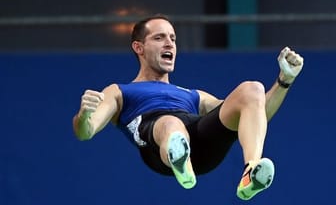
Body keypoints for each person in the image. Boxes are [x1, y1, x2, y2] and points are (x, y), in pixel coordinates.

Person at [72, 14, 304, 200]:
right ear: (139, 47)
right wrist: (84, 115)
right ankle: (178, 158)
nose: (169, 43)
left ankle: (249, 172)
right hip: (156, 143)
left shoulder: (193, 95)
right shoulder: (119, 91)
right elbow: (86, 131)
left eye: (173, 38)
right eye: (159, 38)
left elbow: (254, 117)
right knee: (171, 124)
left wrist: (284, 81)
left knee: (252, 90)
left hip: (199, 141)